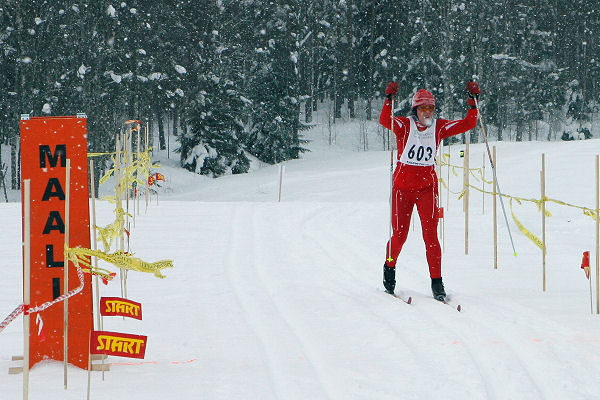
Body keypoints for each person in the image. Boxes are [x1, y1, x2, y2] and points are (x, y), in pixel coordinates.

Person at [379, 80, 481, 300]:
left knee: (431, 236)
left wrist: (473, 102)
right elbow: (384, 120)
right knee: (399, 235)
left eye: (431, 108)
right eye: (424, 108)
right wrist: (388, 99)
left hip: (427, 187)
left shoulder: (439, 127)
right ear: (416, 109)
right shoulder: (405, 125)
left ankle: (437, 283)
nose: (428, 112)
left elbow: (468, 124)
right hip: (402, 189)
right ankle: (389, 268)